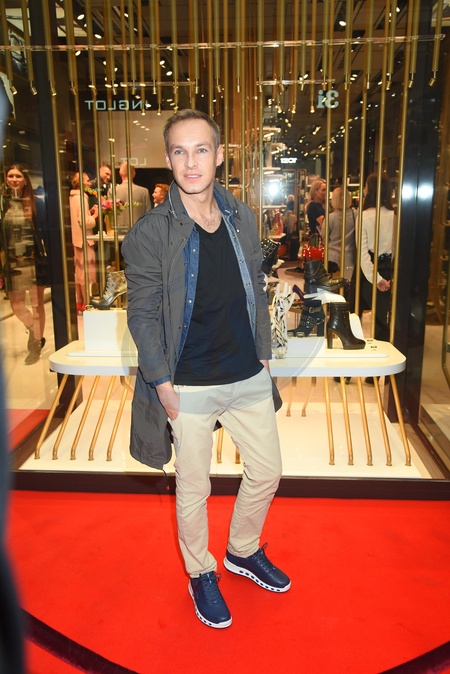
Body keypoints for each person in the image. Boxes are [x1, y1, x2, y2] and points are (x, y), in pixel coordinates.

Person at [122, 109, 290, 630]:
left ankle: (242, 549)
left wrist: (263, 353)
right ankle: (201, 572)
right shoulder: (151, 232)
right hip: (187, 382)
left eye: (201, 150)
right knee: (194, 490)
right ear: (168, 158)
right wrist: (162, 383)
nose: (191, 162)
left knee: (267, 471)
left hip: (246, 372)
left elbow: (254, 287)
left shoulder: (241, 215)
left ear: (219, 156)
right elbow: (142, 314)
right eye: (180, 151)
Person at [1, 164, 49, 364]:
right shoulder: (4, 204)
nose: (14, 179)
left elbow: (45, 232)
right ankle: (32, 329)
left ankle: (37, 343)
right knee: (17, 305)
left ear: (25, 180)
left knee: (37, 304)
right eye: (11, 176)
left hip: (33, 261)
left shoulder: (36, 203)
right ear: (6, 179)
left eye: (18, 176)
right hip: (12, 263)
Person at [359, 172, 395, 345]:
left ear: (371, 190)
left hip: (369, 273)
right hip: (389, 270)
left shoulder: (365, 216)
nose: (364, 190)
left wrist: (376, 278)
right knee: (384, 317)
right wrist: (388, 278)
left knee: (356, 314)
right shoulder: (395, 216)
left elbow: (363, 253)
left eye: (366, 186)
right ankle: (386, 354)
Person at [69, 171, 98, 313]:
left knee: (79, 272)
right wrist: (95, 216)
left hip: (77, 240)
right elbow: (84, 222)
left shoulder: (73, 197)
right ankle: (87, 302)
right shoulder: (82, 198)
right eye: (87, 180)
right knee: (87, 272)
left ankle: (80, 301)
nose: (89, 183)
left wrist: (89, 213)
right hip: (85, 241)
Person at [319, 187, 356, 277]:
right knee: (348, 281)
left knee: (333, 282)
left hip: (333, 257)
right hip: (350, 256)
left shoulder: (330, 217)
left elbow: (324, 237)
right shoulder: (356, 214)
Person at [115, 162, 151, 232]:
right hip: (138, 232)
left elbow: (109, 216)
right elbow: (148, 215)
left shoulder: (112, 191)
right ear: (134, 174)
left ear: (120, 173)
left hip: (118, 232)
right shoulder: (144, 191)